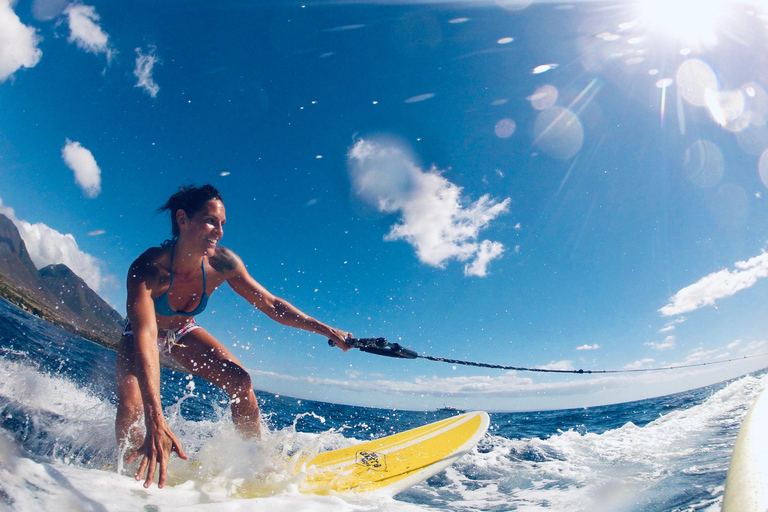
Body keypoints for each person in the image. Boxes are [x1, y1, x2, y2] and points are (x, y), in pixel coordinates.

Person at [115, 184, 351, 489]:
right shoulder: (148, 269)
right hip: (141, 331)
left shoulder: (222, 263)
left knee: (241, 382)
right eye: (211, 221)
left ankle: (256, 465)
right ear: (183, 219)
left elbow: (272, 305)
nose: (219, 231)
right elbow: (146, 335)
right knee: (133, 406)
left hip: (182, 330)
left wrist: (328, 330)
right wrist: (155, 418)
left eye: (222, 224)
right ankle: (126, 472)